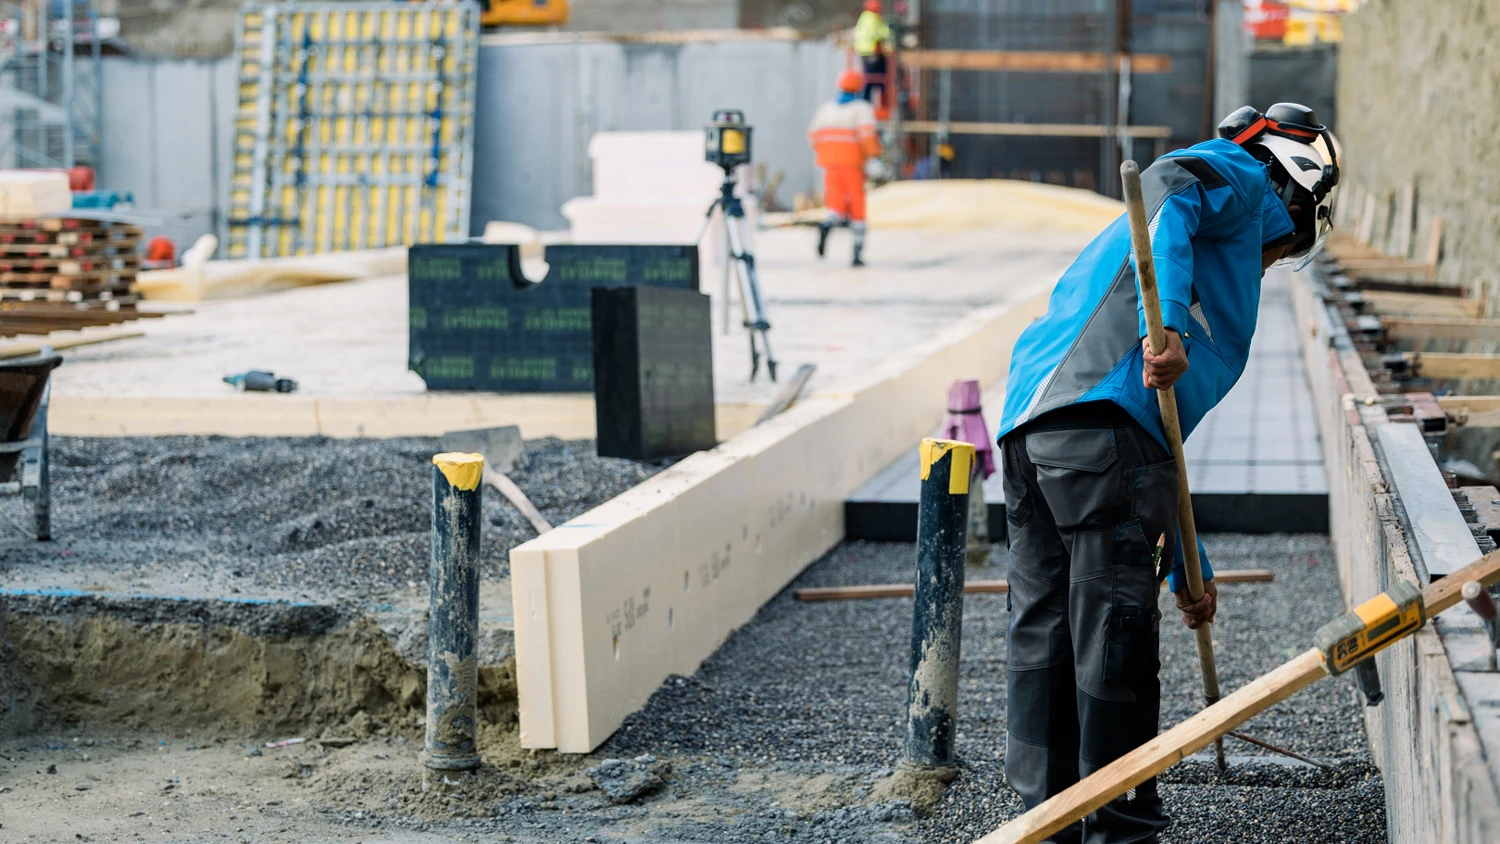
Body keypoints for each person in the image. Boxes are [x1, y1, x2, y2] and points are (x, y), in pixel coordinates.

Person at [994, 103, 1339, 844]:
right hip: (1099, 425)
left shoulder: (1175, 249)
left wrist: (1189, 562)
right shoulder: (1242, 177)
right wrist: (1172, 322)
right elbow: (1168, 185)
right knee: (1113, 629)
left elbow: (1162, 446)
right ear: (1295, 192)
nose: (1276, 259)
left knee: (1044, 630)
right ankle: (1120, 826)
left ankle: (1040, 821)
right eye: (1293, 240)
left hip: (1034, 431)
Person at [807, 69, 882, 268]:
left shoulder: (826, 109)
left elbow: (813, 137)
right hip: (853, 167)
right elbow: (867, 137)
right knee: (857, 209)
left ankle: (827, 224)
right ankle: (857, 254)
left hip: (830, 166)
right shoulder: (861, 109)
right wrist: (875, 155)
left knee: (835, 206)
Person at [853, 0, 891, 108]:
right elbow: (880, 34)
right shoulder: (872, 18)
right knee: (877, 80)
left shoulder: (865, 18)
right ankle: (878, 104)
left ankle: (866, 103)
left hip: (867, 53)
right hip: (873, 53)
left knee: (869, 79)